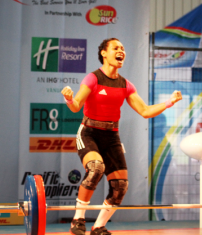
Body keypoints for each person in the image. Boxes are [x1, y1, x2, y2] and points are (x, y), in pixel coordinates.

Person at [61, 38, 182, 235]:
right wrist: (68, 99)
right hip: (89, 132)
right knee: (95, 169)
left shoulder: (126, 85)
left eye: (123, 49)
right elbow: (76, 106)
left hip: (111, 136)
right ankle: (78, 220)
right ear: (104, 53)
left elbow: (145, 111)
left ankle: (98, 227)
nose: (121, 51)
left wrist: (170, 102)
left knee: (120, 187)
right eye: (116, 48)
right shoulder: (93, 78)